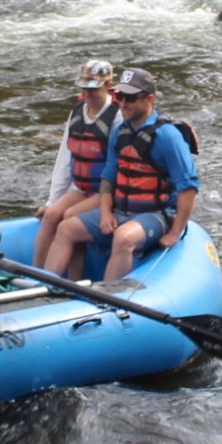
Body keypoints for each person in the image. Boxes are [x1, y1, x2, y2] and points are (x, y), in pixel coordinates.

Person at [47, 66, 198, 286]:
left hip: (157, 214)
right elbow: (108, 179)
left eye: (130, 98)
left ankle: (107, 300)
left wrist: (174, 233)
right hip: (120, 210)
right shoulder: (120, 132)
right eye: (119, 96)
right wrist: (106, 213)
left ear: (149, 99)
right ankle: (49, 288)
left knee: (124, 237)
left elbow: (188, 189)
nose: (123, 104)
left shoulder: (168, 137)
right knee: (66, 228)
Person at [35, 60, 118, 269]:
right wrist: (52, 200)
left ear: (108, 86)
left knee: (70, 217)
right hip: (81, 188)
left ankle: (70, 281)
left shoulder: (117, 117)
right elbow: (64, 160)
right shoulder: (77, 112)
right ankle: (34, 274)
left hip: (105, 192)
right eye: (84, 88)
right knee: (52, 215)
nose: (87, 94)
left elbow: (118, 165)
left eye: (94, 89)